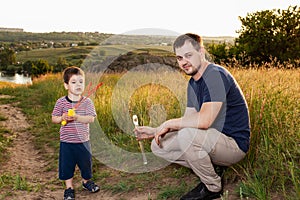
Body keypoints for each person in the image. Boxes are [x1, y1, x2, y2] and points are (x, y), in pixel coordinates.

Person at [134, 33, 250, 200]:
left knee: (187, 135)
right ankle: (209, 168)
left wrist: (168, 122)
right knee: (158, 145)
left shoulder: (215, 75)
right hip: (212, 139)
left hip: (233, 145)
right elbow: (189, 119)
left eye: (188, 55)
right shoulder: (193, 83)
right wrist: (155, 131)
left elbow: (204, 121)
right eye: (179, 58)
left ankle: (212, 187)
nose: (183, 62)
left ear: (201, 52)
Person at [52, 66, 100, 200]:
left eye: (81, 82)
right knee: (66, 166)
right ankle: (69, 188)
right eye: (73, 82)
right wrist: (62, 118)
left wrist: (77, 117)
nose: (78, 85)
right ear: (66, 85)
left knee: (86, 164)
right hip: (67, 142)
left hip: (83, 142)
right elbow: (54, 118)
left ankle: (86, 182)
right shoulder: (61, 102)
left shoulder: (87, 102)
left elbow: (91, 118)